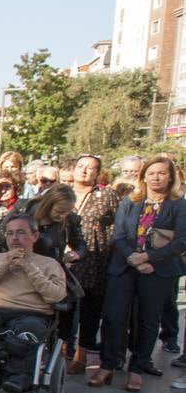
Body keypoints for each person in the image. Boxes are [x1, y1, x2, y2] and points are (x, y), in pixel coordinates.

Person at [88, 155, 186, 391]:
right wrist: (134, 258)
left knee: (148, 320)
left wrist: (149, 258)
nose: (156, 177)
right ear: (143, 176)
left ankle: (137, 368)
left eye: (162, 173)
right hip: (125, 266)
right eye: (151, 173)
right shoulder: (130, 201)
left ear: (171, 176)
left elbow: (181, 240)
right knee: (114, 317)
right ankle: (108, 365)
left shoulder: (179, 204)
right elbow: (119, 235)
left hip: (158, 270)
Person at [0, 213, 68, 393]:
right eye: (10, 233)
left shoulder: (49, 264)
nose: (15, 238)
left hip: (31, 312)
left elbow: (56, 295)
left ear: (35, 236)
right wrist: (4, 264)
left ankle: (18, 377)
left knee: (29, 329)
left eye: (21, 232)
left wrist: (29, 267)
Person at [67, 154, 118, 373]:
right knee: (64, 307)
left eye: (90, 168)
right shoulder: (63, 193)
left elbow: (118, 226)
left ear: (98, 173)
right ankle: (62, 350)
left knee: (90, 309)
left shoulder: (106, 195)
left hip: (95, 259)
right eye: (80, 166)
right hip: (65, 259)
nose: (84, 171)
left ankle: (82, 354)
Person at [20, 183, 86, 343]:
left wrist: (75, 253)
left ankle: (64, 343)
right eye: (59, 211)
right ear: (49, 203)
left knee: (68, 302)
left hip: (52, 268)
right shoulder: (26, 209)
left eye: (67, 212)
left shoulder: (70, 220)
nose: (62, 216)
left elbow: (81, 245)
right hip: (22, 265)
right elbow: (5, 231)